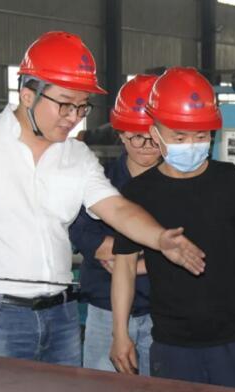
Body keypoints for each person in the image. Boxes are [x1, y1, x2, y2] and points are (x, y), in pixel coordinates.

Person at [0, 31, 205, 366]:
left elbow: (117, 209)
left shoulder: (76, 155)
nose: (74, 116)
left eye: (82, 106)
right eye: (65, 103)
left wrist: (160, 239)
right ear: (28, 95)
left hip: (61, 316)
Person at [109, 67, 235, 390]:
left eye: (201, 136)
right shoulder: (138, 194)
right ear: (155, 133)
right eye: (179, 137)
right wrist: (120, 333)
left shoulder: (231, 180)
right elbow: (124, 267)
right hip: (173, 343)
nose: (191, 145)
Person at [69, 75, 159, 374]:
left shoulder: (180, 186)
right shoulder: (100, 179)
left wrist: (130, 259)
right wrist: (153, 251)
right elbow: (82, 232)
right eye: (136, 137)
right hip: (106, 308)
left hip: (164, 309)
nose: (146, 147)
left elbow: (194, 242)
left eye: (154, 137)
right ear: (120, 133)